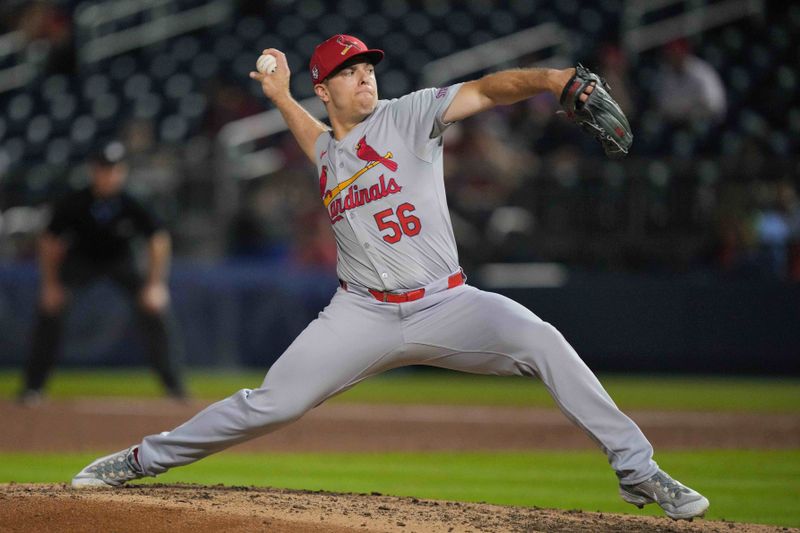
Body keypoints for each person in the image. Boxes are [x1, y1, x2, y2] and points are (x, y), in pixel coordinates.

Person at [72, 35, 709, 521]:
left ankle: (637, 469)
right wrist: (279, 98)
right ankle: (138, 460)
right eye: (349, 71)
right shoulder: (326, 149)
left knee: (543, 341)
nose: (365, 76)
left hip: (447, 303)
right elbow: (314, 138)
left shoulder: (408, 116)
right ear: (326, 89)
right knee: (270, 404)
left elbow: (488, 89)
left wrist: (552, 79)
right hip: (361, 315)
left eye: (368, 66)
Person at [18, 140, 186, 404]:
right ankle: (32, 388)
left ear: (122, 171)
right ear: (93, 170)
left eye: (113, 169)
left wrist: (155, 284)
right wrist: (50, 284)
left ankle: (174, 387)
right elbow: (50, 241)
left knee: (155, 309)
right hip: (81, 260)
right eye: (103, 168)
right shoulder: (76, 201)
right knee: (51, 308)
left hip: (121, 261)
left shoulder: (134, 200)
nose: (108, 175)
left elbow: (158, 239)